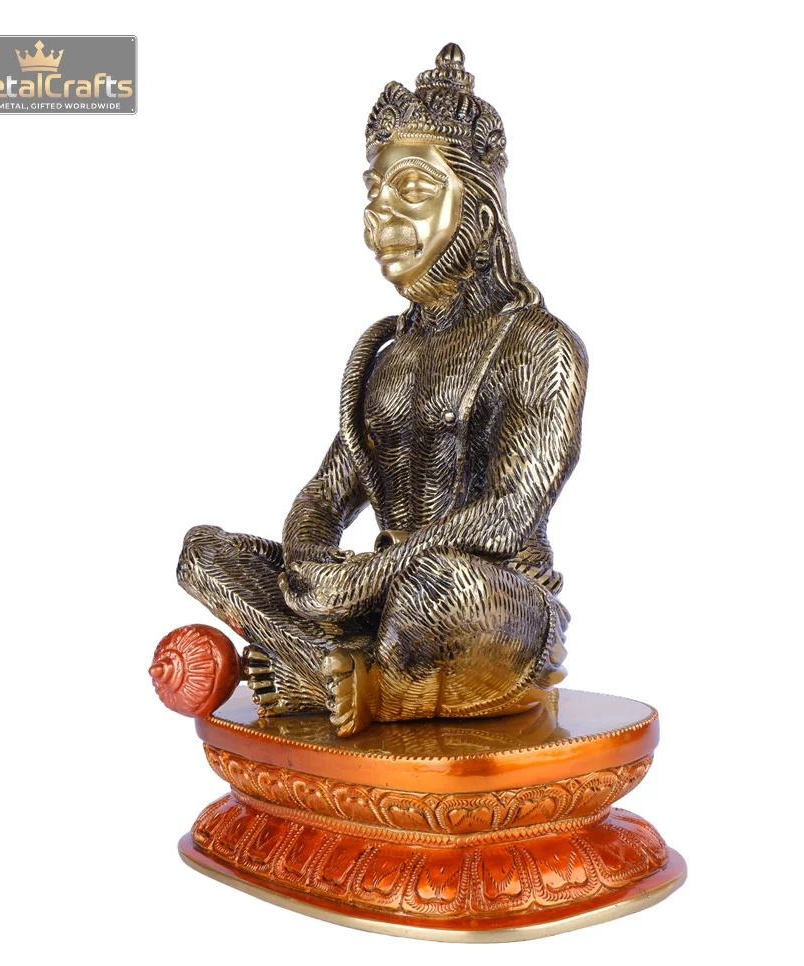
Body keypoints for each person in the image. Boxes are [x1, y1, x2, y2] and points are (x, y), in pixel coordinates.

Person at [178, 44, 588, 735]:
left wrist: (373, 576)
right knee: (206, 556)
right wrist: (311, 564)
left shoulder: (538, 344)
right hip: (377, 598)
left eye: (412, 191)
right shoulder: (387, 355)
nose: (380, 216)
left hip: (482, 601)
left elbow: (511, 511)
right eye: (374, 192)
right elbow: (326, 494)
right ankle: (352, 673)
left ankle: (335, 679)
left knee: (442, 587)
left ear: (482, 216)